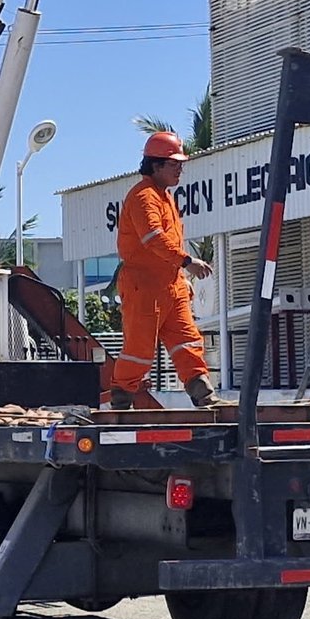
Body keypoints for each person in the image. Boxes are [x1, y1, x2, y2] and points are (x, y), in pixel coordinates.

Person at [111, 130, 220, 410]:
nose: (180, 169)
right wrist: (187, 262)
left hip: (170, 285)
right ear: (156, 165)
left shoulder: (163, 196)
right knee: (140, 349)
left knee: (187, 341)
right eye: (175, 164)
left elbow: (163, 243)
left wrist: (181, 277)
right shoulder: (144, 196)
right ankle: (122, 397)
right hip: (144, 287)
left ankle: (203, 394)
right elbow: (154, 239)